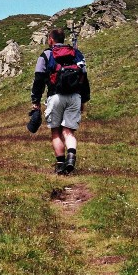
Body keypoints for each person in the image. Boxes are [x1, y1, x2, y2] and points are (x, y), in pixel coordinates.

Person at [31, 28, 90, 175]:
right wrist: (84, 99)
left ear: (51, 39)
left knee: (56, 132)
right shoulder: (76, 53)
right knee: (68, 132)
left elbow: (38, 79)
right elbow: (84, 78)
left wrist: (35, 100)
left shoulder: (46, 54)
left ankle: (60, 166)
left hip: (55, 96)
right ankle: (71, 156)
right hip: (75, 96)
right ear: (63, 39)